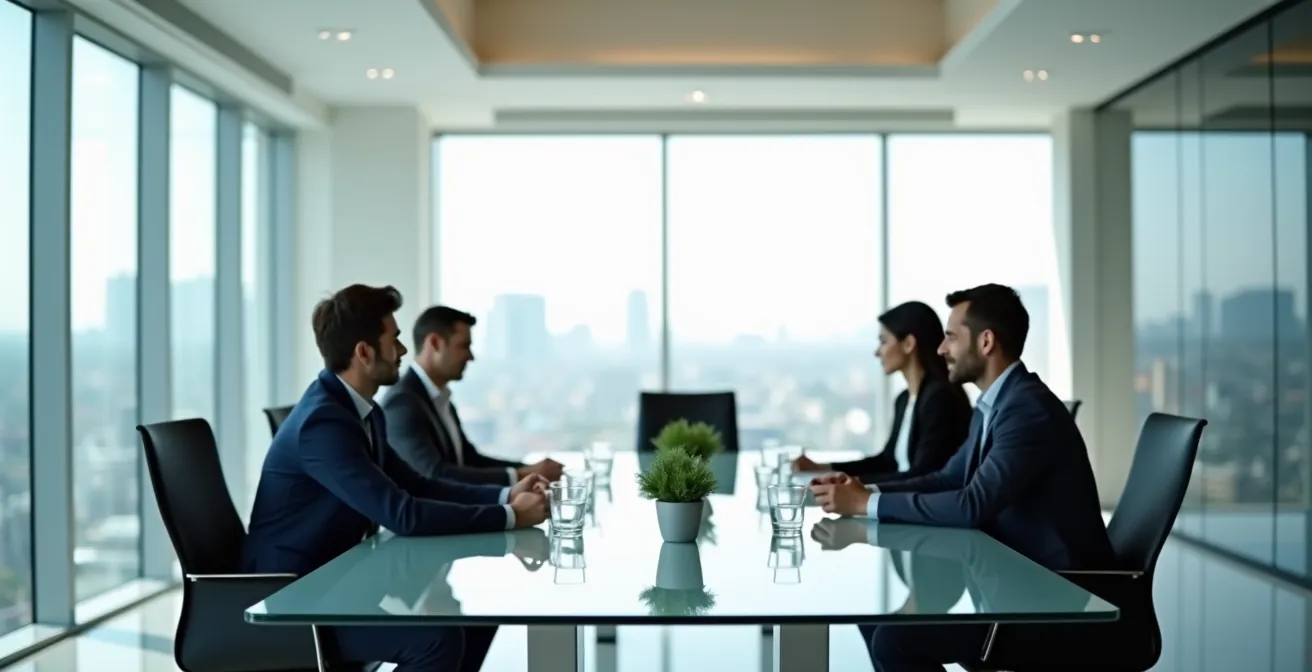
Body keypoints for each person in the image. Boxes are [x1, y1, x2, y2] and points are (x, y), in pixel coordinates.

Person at [242, 284, 550, 672]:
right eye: (395, 339)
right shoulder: (323, 423)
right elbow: (403, 514)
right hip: (294, 601)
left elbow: (419, 485)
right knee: (437, 639)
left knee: (474, 619)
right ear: (364, 352)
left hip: (338, 582)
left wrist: (505, 496)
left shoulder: (363, 412)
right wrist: (512, 517)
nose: (404, 351)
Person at [810, 283, 1114, 671]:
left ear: (986, 342)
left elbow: (971, 505)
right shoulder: (995, 406)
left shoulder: (1026, 410)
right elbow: (947, 478)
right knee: (877, 624)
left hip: (1052, 599)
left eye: (951, 337)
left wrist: (866, 504)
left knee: (895, 639)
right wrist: (865, 492)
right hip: (1014, 582)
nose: (940, 349)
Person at [382, 305, 564, 485]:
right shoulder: (402, 403)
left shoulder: (439, 398)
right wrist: (521, 475)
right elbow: (434, 474)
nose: (470, 356)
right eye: (464, 346)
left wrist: (529, 471)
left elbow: (469, 460)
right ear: (435, 343)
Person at [793, 301, 972, 483]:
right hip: (901, 502)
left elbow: (924, 474)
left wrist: (854, 489)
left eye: (883, 341)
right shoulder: (904, 399)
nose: (877, 352)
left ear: (908, 344)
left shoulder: (940, 399)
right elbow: (887, 462)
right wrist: (824, 469)